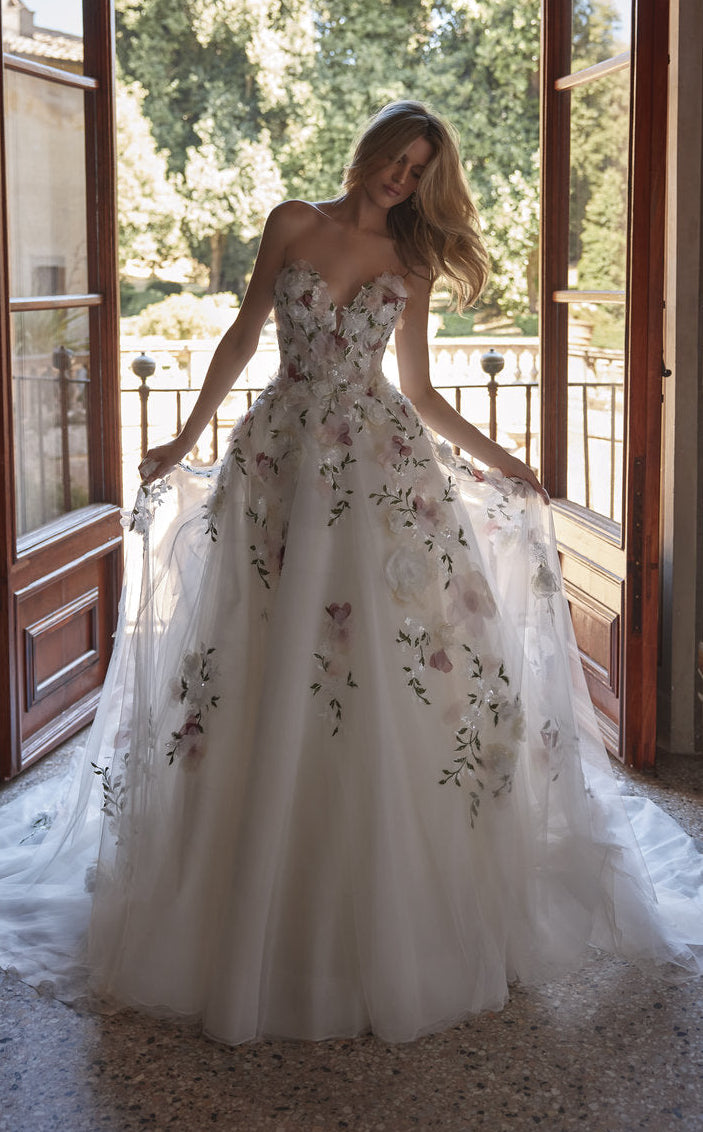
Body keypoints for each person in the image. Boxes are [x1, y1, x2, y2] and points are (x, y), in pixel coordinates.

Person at [0, 101, 702, 1046]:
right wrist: (179, 435)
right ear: (368, 147)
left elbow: (416, 393)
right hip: (277, 467)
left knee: (380, 663)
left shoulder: (408, 265)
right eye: (395, 160)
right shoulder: (293, 222)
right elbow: (245, 337)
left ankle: (373, 900)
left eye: (418, 171)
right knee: (258, 654)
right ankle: (251, 892)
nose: (400, 180)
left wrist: (500, 459)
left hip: (379, 474)